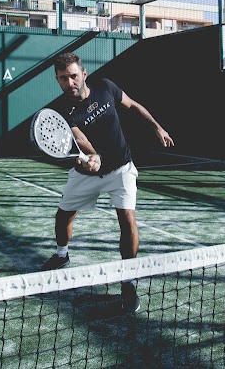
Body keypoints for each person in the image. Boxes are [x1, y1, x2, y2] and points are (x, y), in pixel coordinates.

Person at [40, 52, 174, 312]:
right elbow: (79, 140)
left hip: (121, 169)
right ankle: (61, 255)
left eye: (73, 76)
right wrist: (91, 156)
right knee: (63, 216)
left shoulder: (105, 87)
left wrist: (157, 126)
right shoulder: (61, 111)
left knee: (127, 218)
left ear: (84, 74)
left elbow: (133, 105)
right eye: (63, 78)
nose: (70, 82)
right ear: (57, 81)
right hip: (86, 174)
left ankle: (128, 280)